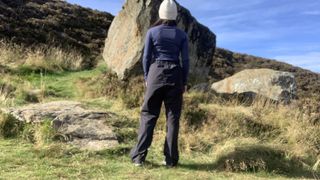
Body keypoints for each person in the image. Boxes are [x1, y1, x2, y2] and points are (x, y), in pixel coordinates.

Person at [130, 0, 189, 168]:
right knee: (173, 118)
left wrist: (148, 77)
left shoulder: (152, 32)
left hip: (156, 73)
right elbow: (185, 60)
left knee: (148, 114)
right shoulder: (182, 35)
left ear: (161, 14)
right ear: (175, 15)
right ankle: (170, 160)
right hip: (175, 75)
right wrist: (184, 81)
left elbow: (146, 57)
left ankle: (138, 157)